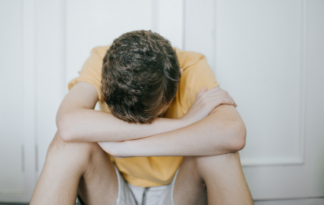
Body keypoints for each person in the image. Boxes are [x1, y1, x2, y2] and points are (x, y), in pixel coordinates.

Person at [30, 30, 253, 205]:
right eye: (125, 121)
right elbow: (68, 124)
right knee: (67, 143)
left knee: (221, 152)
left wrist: (126, 147)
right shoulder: (103, 61)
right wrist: (182, 123)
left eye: (151, 117)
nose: (137, 125)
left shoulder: (192, 66)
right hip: (112, 190)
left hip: (179, 191)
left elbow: (233, 134)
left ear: (178, 80)